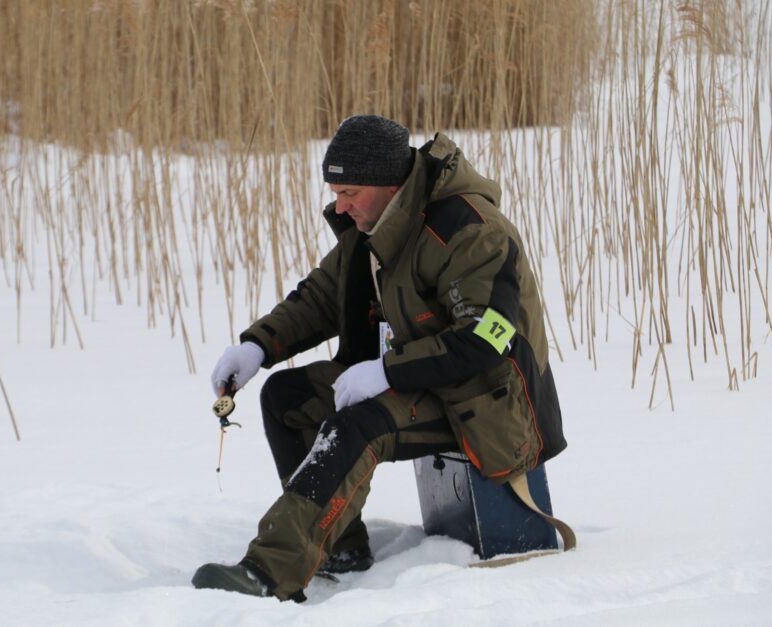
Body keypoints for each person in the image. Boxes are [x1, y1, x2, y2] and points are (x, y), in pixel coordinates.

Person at [192, 115, 566, 602]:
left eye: (350, 192)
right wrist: (258, 346)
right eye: (335, 192)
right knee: (288, 397)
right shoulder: (375, 227)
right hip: (426, 379)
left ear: (391, 185)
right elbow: (322, 297)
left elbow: (488, 337)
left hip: (491, 403)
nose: (339, 207)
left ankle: (270, 572)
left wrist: (387, 371)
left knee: (356, 424)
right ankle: (337, 547)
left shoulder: (472, 231)